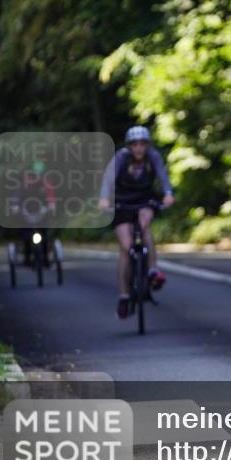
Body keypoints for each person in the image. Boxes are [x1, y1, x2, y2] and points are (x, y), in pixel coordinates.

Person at [98, 126, 175, 319]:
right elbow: (108, 180)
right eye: (135, 144)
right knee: (125, 247)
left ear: (147, 145)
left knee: (145, 224)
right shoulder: (121, 158)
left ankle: (153, 270)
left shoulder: (153, 157)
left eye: (142, 144)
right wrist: (104, 199)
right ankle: (124, 296)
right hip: (122, 203)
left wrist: (168, 194)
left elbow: (163, 177)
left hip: (144, 201)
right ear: (129, 146)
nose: (139, 148)